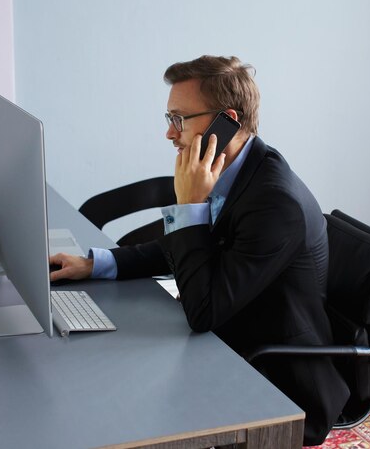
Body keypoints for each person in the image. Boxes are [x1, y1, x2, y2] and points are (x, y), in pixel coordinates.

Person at [50, 55, 349, 445]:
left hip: (274, 378)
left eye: (179, 119)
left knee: (110, 389)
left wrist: (189, 208)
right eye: (168, 119)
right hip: (228, 342)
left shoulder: (275, 202)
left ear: (227, 121)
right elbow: (179, 249)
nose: (170, 135)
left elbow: (203, 312)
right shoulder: (234, 169)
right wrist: (94, 263)